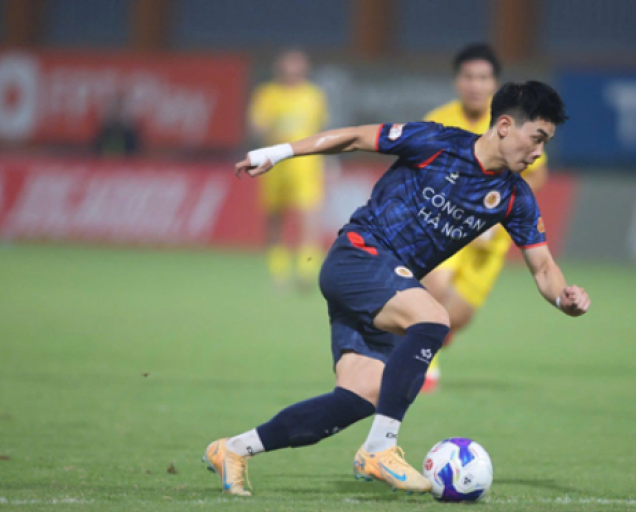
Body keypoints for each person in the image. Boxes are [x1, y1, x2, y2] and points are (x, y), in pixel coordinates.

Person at [204, 81, 591, 496]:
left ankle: (234, 449)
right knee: (434, 319)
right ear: (505, 125)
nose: (539, 152)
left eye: (546, 143)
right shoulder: (438, 142)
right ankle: (379, 449)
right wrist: (278, 152)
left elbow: (543, 267)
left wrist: (563, 297)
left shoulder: (515, 197)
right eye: (537, 138)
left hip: (384, 285)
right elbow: (355, 138)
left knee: (357, 398)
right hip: (358, 255)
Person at [421, 43, 549, 393]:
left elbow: (537, 175)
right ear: (457, 81)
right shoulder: (438, 120)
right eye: (468, 77)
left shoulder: (517, 124)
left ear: (495, 83)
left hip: (490, 242)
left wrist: (496, 215)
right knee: (434, 286)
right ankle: (423, 367)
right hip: (446, 225)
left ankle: (428, 341)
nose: (475, 85)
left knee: (457, 318)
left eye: (483, 78)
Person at [246, 49, 328, 288]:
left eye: (297, 66)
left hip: (305, 165)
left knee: (309, 216)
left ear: (305, 69)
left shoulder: (313, 96)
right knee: (274, 218)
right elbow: (256, 125)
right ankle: (279, 273)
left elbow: (321, 131)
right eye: (288, 66)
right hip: (274, 164)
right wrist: (266, 127)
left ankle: (306, 271)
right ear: (279, 68)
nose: (293, 71)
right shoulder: (267, 94)